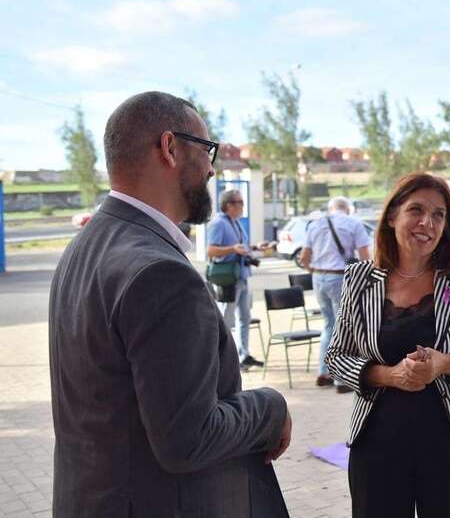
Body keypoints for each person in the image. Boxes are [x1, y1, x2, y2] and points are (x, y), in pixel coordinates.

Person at [49, 91, 291, 517]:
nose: (213, 167)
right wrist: (271, 408)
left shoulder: (84, 248)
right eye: (207, 149)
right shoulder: (161, 273)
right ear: (170, 147)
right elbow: (188, 438)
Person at [326, 173, 450, 518]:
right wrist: (390, 375)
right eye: (416, 210)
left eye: (439, 215)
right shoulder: (360, 278)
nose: (427, 223)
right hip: (378, 441)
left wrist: (442, 364)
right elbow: (336, 358)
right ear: (392, 216)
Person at [300, 196, 371, 392]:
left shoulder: (315, 224)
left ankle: (324, 372)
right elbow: (365, 257)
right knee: (345, 327)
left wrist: (314, 271)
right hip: (340, 278)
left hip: (318, 278)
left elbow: (304, 257)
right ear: (347, 209)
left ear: (331, 209)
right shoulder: (353, 223)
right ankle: (341, 379)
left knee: (329, 325)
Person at [207, 188, 266, 371]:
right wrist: (233, 249)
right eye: (239, 202)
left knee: (244, 318)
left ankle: (243, 355)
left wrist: (255, 247)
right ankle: (222, 358)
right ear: (228, 205)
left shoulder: (235, 222)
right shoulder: (218, 223)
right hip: (228, 279)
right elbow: (211, 251)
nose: (242, 206)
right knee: (226, 319)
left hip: (242, 276)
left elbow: (240, 246)